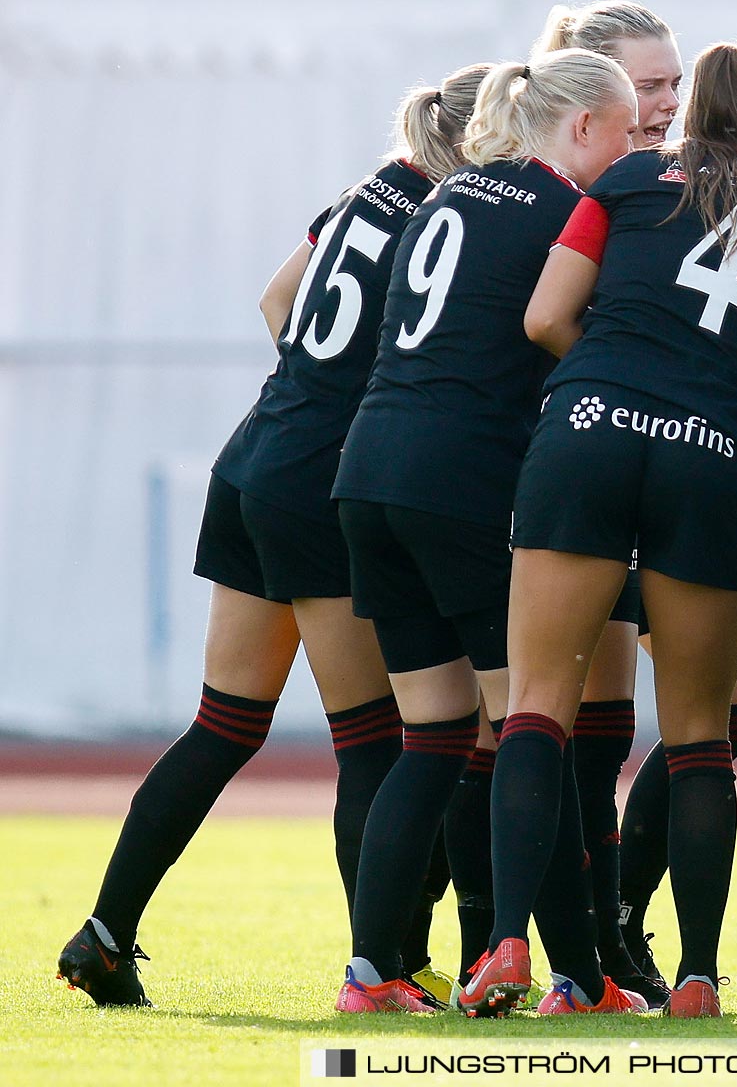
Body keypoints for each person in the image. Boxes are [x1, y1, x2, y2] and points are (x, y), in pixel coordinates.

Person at [55, 67, 489, 1010]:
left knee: (224, 724)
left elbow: (273, 302)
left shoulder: (365, 190)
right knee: (376, 740)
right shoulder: (447, 217)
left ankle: (105, 930)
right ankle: (385, 968)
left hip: (254, 454)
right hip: (323, 483)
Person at [456, 43, 737, 1021]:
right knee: (702, 733)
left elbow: (545, 314)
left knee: (536, 706)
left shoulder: (630, 176)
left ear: (690, 106)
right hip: (710, 457)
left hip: (590, 434)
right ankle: (695, 975)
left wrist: (610, 374)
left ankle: (511, 948)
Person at [329, 49, 639, 1013]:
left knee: (432, 732)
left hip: (369, 469)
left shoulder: (448, 194)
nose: (635, 152)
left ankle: (372, 972)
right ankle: (576, 975)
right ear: (582, 126)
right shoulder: (562, 212)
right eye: (628, 131)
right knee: (528, 728)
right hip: (458, 478)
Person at [537, 1, 737, 998]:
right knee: (569, 729)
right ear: (590, 99)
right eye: (645, 86)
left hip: (611, 452)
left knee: (703, 721)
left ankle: (612, 923)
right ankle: (575, 950)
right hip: (584, 462)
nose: (664, 102)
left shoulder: (655, 184)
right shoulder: (585, 186)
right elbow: (538, 317)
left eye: (674, 83)